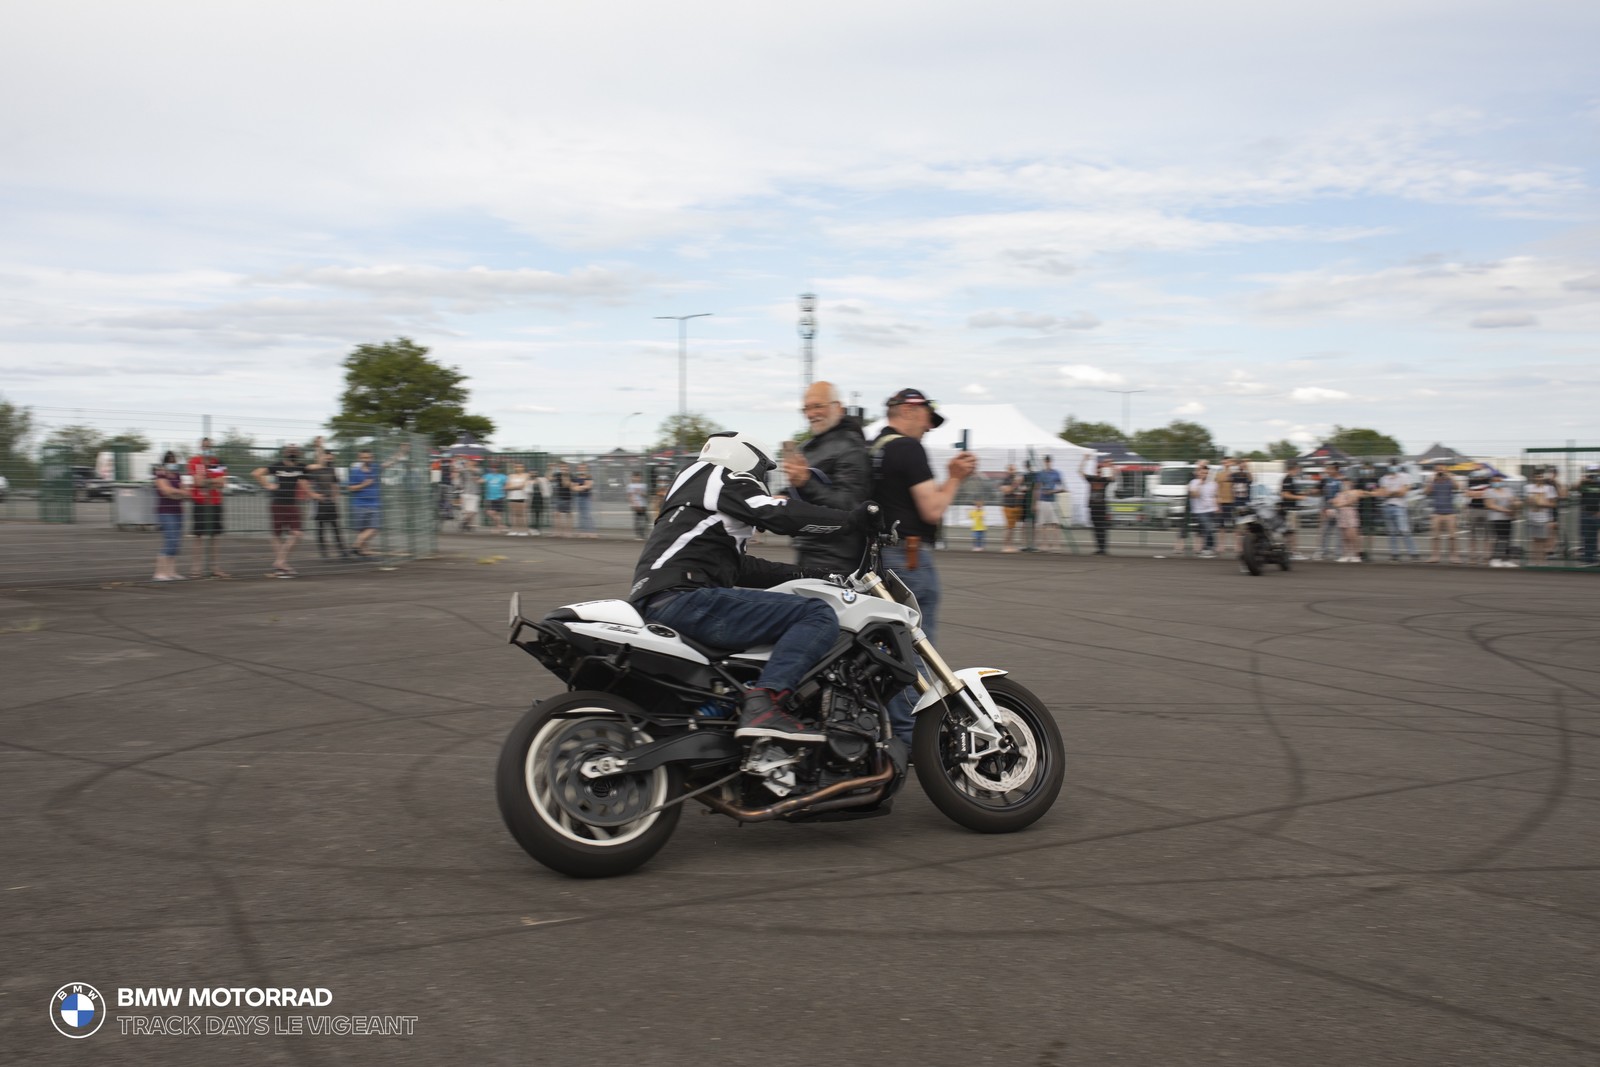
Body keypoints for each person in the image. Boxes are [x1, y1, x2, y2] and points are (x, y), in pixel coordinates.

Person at [632, 432, 875, 742]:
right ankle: (764, 707)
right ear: (745, 457)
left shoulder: (694, 497)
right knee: (816, 615)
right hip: (684, 599)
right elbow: (776, 513)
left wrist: (817, 576)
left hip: (663, 599)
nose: (763, 479)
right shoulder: (717, 475)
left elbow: (743, 569)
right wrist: (852, 521)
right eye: (764, 470)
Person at [869, 388, 977, 745]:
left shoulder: (875, 450)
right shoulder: (907, 448)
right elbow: (932, 509)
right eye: (927, 418)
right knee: (914, 650)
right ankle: (912, 734)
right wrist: (956, 476)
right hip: (909, 558)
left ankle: (887, 727)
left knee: (888, 648)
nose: (928, 428)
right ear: (910, 410)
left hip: (878, 557)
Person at [785, 380, 871, 573]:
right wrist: (782, 498)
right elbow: (801, 495)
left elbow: (850, 507)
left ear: (838, 408)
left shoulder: (852, 448)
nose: (811, 414)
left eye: (818, 406)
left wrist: (806, 481)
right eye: (806, 408)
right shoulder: (807, 447)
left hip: (837, 561)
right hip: (807, 553)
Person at [253, 444, 310, 577]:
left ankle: (280, 562)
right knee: (276, 535)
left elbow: (317, 466)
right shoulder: (277, 465)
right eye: (290, 450)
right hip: (277, 503)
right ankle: (282, 565)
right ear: (285, 453)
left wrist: (319, 447)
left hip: (292, 504)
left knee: (297, 534)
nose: (292, 452)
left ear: (299, 454)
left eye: (295, 451)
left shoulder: (300, 467)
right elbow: (256, 473)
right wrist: (267, 485)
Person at [186, 436, 230, 578]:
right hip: (199, 502)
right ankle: (196, 569)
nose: (207, 449)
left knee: (215, 537)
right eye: (205, 447)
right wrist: (212, 481)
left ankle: (215, 568)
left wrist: (207, 481)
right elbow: (197, 482)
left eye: (209, 447)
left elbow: (222, 482)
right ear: (201, 447)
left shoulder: (217, 462)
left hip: (215, 502)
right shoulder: (194, 461)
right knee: (198, 536)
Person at [307, 439, 350, 560]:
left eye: (331, 458)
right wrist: (319, 446)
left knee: (336, 527)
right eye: (327, 457)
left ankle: (342, 551)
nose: (329, 459)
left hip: (330, 502)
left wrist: (335, 498)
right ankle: (324, 553)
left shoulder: (332, 469)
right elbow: (318, 457)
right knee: (321, 528)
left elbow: (335, 484)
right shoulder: (316, 468)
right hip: (319, 502)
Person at [152, 451, 187, 581]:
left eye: (174, 461)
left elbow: (185, 493)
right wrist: (178, 493)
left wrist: (176, 493)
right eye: (170, 461)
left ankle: (171, 572)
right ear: (165, 462)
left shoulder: (177, 475)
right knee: (170, 540)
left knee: (176, 543)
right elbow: (165, 491)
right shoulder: (160, 474)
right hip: (166, 511)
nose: (173, 463)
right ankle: (159, 573)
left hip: (178, 511)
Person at [1378, 462, 1419, 563]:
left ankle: (1413, 553)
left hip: (1400, 506)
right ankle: (1394, 553)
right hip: (1387, 506)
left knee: (1405, 530)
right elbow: (1383, 493)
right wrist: (1395, 492)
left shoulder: (1404, 477)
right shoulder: (1384, 479)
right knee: (1392, 532)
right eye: (1391, 465)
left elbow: (1403, 492)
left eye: (1394, 464)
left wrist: (1390, 492)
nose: (1393, 467)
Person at [346, 448, 383, 556]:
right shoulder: (355, 472)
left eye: (369, 457)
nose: (367, 459)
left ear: (372, 457)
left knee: (374, 528)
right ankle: (363, 550)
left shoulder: (375, 468)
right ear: (360, 458)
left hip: (374, 504)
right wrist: (364, 484)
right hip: (359, 504)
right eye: (364, 457)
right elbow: (350, 488)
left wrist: (401, 453)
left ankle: (355, 546)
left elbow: (388, 463)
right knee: (362, 530)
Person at [1423, 465, 1462, 564]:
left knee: (1452, 536)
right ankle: (1435, 556)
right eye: (1438, 470)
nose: (1440, 472)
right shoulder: (1433, 482)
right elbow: (1426, 492)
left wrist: (1449, 476)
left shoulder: (1449, 481)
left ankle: (1454, 556)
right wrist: (1432, 480)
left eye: (1442, 470)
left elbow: (1457, 487)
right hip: (1437, 512)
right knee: (1435, 536)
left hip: (1450, 512)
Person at [1525, 470, 1561, 564]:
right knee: (1534, 540)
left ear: (1543, 478)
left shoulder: (1549, 488)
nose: (1538, 479)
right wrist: (1530, 502)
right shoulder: (1528, 488)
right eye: (1537, 477)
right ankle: (1534, 560)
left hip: (1544, 518)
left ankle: (1542, 561)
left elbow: (1554, 504)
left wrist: (1542, 504)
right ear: (1533, 477)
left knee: (1543, 540)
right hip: (1532, 517)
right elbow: (1525, 502)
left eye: (1540, 477)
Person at [1032, 455, 1067, 551]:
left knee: (1055, 524)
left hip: (1053, 501)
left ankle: (1056, 545)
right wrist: (1035, 503)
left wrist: (1052, 491)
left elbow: (1063, 488)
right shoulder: (1040, 474)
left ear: (1051, 462)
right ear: (1044, 462)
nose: (1047, 463)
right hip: (1042, 500)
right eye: (1046, 461)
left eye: (1049, 461)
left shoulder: (1056, 473)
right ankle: (1044, 544)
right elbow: (1036, 488)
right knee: (1042, 524)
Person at [1484, 473, 1518, 567]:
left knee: (1508, 538)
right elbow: (1490, 505)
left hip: (1508, 517)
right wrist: (1505, 510)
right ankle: (1495, 558)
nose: (1497, 482)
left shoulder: (1509, 490)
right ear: (1491, 482)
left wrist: (1515, 504)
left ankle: (1507, 559)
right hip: (1496, 517)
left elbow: (1514, 500)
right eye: (1495, 481)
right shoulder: (1489, 491)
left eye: (1499, 480)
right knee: (1500, 537)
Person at [1082, 454, 1113, 555]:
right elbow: (1080, 472)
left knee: (1102, 528)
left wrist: (1110, 465)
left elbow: (1113, 477)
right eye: (1097, 470)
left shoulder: (1104, 480)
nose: (1098, 472)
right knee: (1095, 528)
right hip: (1093, 507)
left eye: (1100, 470)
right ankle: (1099, 549)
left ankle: (1103, 549)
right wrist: (1084, 460)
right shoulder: (1092, 479)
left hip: (1101, 507)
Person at [1278, 461, 1310, 561]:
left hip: (1290, 509)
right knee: (1291, 531)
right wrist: (1300, 497)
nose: (1298, 471)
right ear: (1293, 468)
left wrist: (1302, 493)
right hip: (1289, 509)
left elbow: (1288, 493)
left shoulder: (1290, 479)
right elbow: (1285, 494)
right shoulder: (1288, 479)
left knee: (1290, 531)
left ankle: (1289, 551)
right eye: (1297, 469)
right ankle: (1293, 552)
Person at [1187, 460, 1219, 558]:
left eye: (1206, 473)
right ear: (1198, 473)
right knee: (1208, 528)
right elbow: (1194, 495)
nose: (1204, 474)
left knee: (1209, 529)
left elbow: (1215, 496)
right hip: (1199, 510)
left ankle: (1208, 548)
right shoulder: (1193, 483)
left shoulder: (1213, 484)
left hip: (1211, 509)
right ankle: (1208, 548)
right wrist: (1200, 484)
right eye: (1202, 473)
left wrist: (1217, 506)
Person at [1317, 464, 1345, 561]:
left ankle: (1338, 553)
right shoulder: (1326, 480)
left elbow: (1344, 494)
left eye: (1330, 469)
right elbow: (1323, 494)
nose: (1328, 471)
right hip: (1327, 508)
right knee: (1325, 531)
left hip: (1338, 508)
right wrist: (1324, 508)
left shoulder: (1342, 480)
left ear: (1336, 470)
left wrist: (1337, 502)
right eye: (1327, 469)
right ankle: (1324, 551)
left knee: (1339, 532)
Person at [1333, 479, 1365, 562]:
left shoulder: (1354, 492)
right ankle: (1346, 554)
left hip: (1350, 514)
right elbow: (1335, 502)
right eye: (1343, 483)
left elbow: (1352, 501)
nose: (1344, 485)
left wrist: (1341, 504)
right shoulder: (1339, 494)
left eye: (1346, 483)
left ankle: (1356, 555)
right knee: (1344, 536)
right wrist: (1340, 504)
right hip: (1341, 514)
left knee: (1352, 535)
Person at [1464, 470, 1492, 565]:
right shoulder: (1471, 482)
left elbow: (1489, 494)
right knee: (1472, 534)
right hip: (1473, 509)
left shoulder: (1489, 482)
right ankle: (1472, 555)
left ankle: (1486, 556)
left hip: (1487, 509)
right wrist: (1481, 493)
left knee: (1487, 534)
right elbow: (1467, 494)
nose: (1479, 477)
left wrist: (1475, 493)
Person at [1577, 466, 1600, 566]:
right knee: (1587, 537)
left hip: (1596, 513)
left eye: (1595, 472)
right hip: (1585, 512)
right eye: (1591, 472)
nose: (1593, 474)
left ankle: (1593, 558)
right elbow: (1575, 488)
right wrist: (1582, 480)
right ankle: (1588, 559)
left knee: (1595, 537)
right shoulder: (1584, 483)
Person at [1000, 465, 1025, 552]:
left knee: (1012, 528)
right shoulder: (1006, 480)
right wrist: (1015, 484)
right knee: (1009, 528)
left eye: (1014, 469)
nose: (1013, 471)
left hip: (1017, 506)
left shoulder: (1017, 480)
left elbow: (1021, 492)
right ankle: (1005, 546)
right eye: (1011, 469)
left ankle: (1010, 545)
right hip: (1008, 506)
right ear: (1008, 470)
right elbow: (1006, 490)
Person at [1214, 458, 1237, 553]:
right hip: (1222, 502)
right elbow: (1216, 489)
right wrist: (1217, 502)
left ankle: (1236, 545)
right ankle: (1221, 545)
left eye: (1228, 461)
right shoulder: (1219, 475)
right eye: (1225, 461)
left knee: (1235, 526)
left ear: (1231, 463)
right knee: (1221, 526)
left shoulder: (1234, 474)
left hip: (1233, 502)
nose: (1226, 463)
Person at [481, 460, 508, 532]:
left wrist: (505, 488)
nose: (494, 469)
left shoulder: (503, 476)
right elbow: (481, 481)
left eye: (496, 467)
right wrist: (476, 477)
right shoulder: (488, 476)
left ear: (499, 469)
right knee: (489, 512)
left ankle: (497, 527)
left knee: (498, 513)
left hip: (499, 496)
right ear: (491, 468)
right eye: (493, 467)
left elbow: (507, 485)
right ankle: (500, 525)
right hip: (490, 497)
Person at [457, 458, 481, 533]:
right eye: (469, 462)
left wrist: (472, 470)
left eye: (472, 462)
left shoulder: (478, 470)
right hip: (466, 492)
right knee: (467, 511)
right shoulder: (463, 471)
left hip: (475, 492)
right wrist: (461, 489)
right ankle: (467, 525)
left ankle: (464, 522)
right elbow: (460, 480)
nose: (470, 463)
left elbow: (479, 477)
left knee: (473, 511)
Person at [572, 462, 597, 537]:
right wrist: (583, 486)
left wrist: (580, 487)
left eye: (583, 468)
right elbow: (574, 488)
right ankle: (583, 532)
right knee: (581, 515)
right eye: (580, 468)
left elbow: (589, 486)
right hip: (578, 498)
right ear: (578, 468)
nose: (581, 469)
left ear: (586, 468)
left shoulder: (589, 476)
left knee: (587, 515)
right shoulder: (576, 477)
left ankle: (591, 532)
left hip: (586, 498)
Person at [506, 463, 530, 536]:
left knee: (522, 515)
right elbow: (507, 487)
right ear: (514, 468)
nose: (518, 468)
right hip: (512, 497)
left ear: (523, 468)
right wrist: (517, 487)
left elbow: (524, 486)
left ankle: (523, 530)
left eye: (520, 466)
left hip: (522, 497)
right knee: (513, 514)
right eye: (517, 467)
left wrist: (513, 487)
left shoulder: (526, 475)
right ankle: (514, 530)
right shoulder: (511, 476)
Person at [552, 463, 574, 536]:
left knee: (568, 515)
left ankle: (568, 532)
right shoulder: (558, 474)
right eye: (562, 467)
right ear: (560, 468)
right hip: (559, 497)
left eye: (565, 467)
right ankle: (557, 532)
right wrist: (551, 468)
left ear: (567, 468)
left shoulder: (571, 475)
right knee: (557, 514)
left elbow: (566, 484)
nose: (563, 468)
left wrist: (565, 475)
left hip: (568, 497)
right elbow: (549, 478)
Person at [626, 471, 649, 539]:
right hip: (636, 504)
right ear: (632, 478)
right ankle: (639, 533)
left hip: (643, 504)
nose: (637, 478)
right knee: (638, 519)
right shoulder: (630, 486)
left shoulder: (644, 485)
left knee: (646, 519)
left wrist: (640, 492)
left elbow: (646, 495)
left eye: (638, 477)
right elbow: (630, 496)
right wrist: (634, 504)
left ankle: (642, 532)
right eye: (635, 477)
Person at [527, 466, 548, 536]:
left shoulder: (541, 480)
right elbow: (527, 490)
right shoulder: (528, 481)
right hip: (532, 498)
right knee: (532, 513)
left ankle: (538, 528)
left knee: (538, 513)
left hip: (540, 498)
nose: (534, 474)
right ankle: (533, 528)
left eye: (535, 472)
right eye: (532, 472)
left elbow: (545, 490)